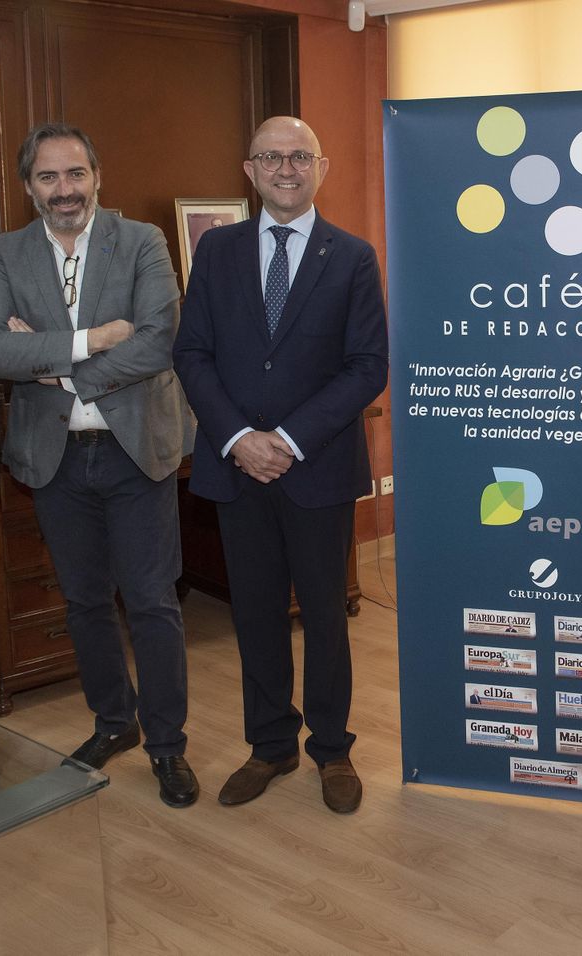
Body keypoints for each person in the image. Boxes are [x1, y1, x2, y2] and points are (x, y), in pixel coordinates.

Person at [0, 123, 197, 808]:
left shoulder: (140, 242)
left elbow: (160, 341)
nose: (64, 189)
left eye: (75, 174)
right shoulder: (7, 253)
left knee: (154, 604)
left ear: (97, 176)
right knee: (85, 603)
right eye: (48, 177)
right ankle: (113, 722)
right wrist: (92, 339)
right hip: (55, 460)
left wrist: (54, 366)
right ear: (28, 186)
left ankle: (167, 746)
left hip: (136, 452)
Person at [173, 116, 387, 814]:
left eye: (299, 156)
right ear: (250, 168)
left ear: (320, 167)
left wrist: (287, 439)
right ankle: (270, 745)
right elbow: (193, 354)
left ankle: (332, 748)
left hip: (316, 468)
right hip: (237, 469)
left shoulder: (351, 257)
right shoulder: (218, 251)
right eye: (272, 157)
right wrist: (238, 437)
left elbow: (367, 367)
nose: (286, 168)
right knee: (256, 614)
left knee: (325, 615)